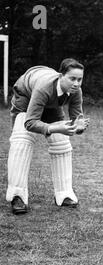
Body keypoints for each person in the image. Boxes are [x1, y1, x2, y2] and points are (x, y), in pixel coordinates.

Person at [6, 58, 89, 215]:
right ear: (61, 76)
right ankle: (17, 196)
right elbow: (30, 123)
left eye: (80, 79)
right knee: (22, 140)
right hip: (26, 93)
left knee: (61, 141)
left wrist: (78, 127)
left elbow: (76, 120)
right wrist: (53, 127)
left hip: (51, 102)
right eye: (72, 78)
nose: (76, 83)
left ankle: (65, 195)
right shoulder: (44, 87)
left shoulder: (76, 91)